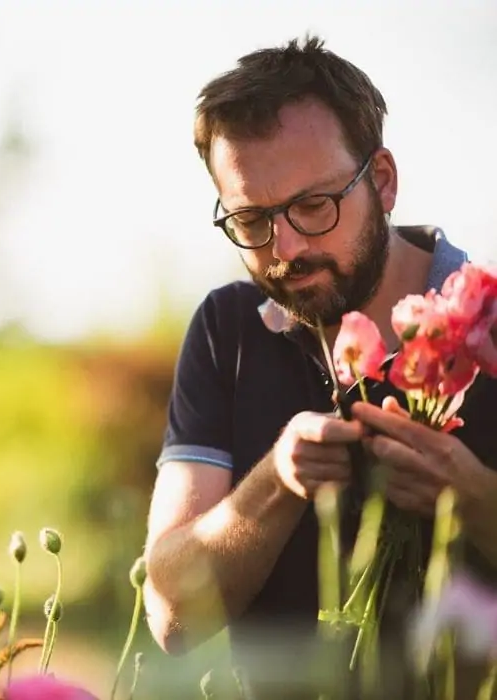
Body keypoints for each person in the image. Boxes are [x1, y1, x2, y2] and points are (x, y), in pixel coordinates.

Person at [142, 34, 497, 694]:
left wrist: (474, 500)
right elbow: (170, 616)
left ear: (383, 182)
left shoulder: (490, 320)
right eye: (251, 220)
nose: (286, 249)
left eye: (314, 206)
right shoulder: (228, 331)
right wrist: (276, 483)